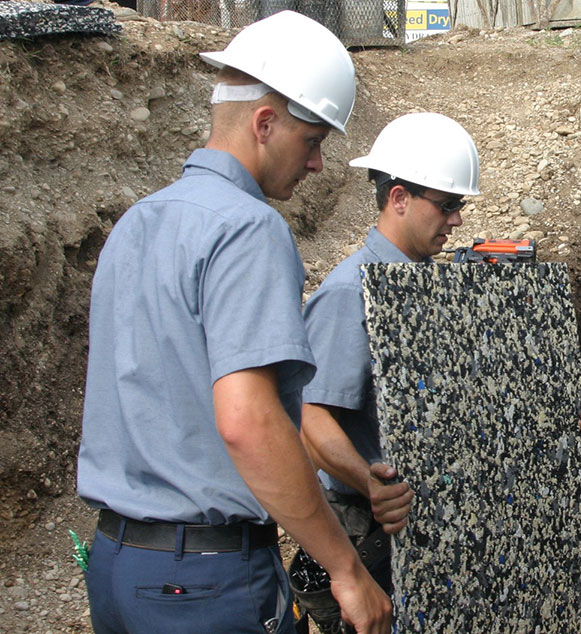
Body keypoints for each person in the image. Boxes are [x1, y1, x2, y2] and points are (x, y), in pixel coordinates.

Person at [75, 11, 391, 634]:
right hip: (201, 584)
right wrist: (345, 568)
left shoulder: (137, 222)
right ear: (265, 122)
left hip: (116, 566)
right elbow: (248, 421)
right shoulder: (248, 229)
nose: (319, 164)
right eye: (313, 141)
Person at [296, 112, 581, 599]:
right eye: (447, 205)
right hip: (378, 532)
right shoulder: (349, 293)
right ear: (399, 198)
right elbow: (312, 419)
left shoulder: (437, 289)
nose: (457, 219)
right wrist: (372, 484)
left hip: (448, 526)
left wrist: (557, 416)